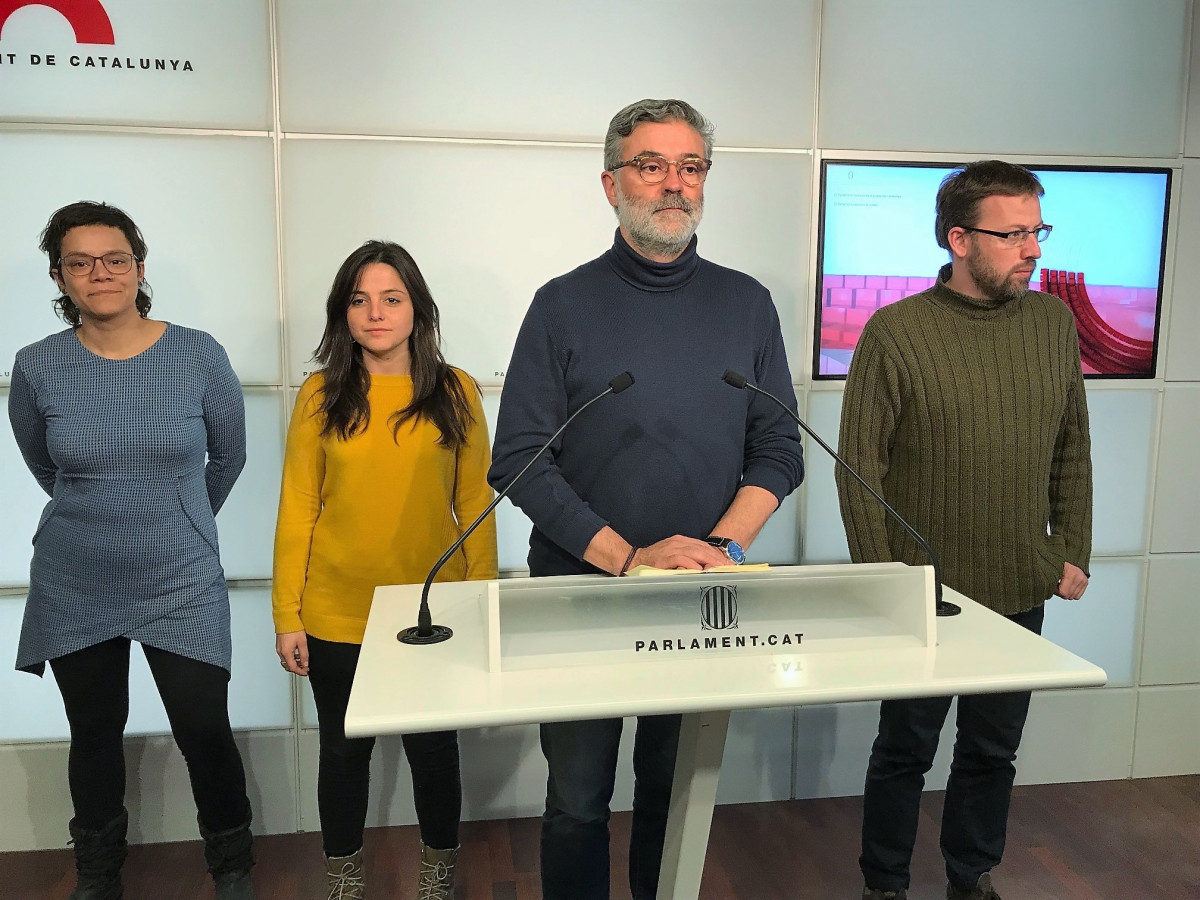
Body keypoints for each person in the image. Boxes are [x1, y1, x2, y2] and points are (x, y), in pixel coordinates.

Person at [489, 98, 805, 900]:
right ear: (611, 184)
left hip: (700, 596)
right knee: (576, 802)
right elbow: (521, 459)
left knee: (674, 796)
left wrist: (720, 551)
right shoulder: (561, 304)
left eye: (690, 167)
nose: (674, 183)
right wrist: (629, 559)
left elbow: (778, 448)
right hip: (581, 593)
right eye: (652, 165)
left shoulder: (747, 303)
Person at [836, 160, 1093, 900]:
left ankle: (970, 877)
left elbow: (1071, 444)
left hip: (1021, 581)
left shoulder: (1053, 323)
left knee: (992, 751)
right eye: (1012, 234)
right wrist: (885, 582)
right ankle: (884, 884)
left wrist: (1071, 549)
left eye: (1037, 231)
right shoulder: (896, 332)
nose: (1032, 249)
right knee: (905, 752)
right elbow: (859, 470)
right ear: (959, 238)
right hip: (927, 596)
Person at [7, 201, 255, 899]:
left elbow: (229, 457)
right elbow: (46, 466)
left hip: (180, 575)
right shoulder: (37, 365)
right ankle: (97, 875)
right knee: (92, 730)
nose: (100, 273)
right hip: (76, 574)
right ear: (59, 276)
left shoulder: (198, 353)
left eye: (115, 258)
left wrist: (178, 520)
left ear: (139, 268)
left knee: (203, 726)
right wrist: (108, 509)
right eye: (80, 262)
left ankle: (233, 870)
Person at [271, 240, 497, 900]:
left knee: (434, 751)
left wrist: (481, 601)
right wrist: (287, 613)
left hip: (431, 615)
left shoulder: (455, 390)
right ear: (342, 313)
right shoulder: (320, 395)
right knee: (343, 753)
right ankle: (344, 881)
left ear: (416, 308)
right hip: (337, 610)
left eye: (391, 299)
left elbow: (475, 503)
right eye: (360, 300)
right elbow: (297, 508)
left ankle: (438, 876)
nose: (375, 313)